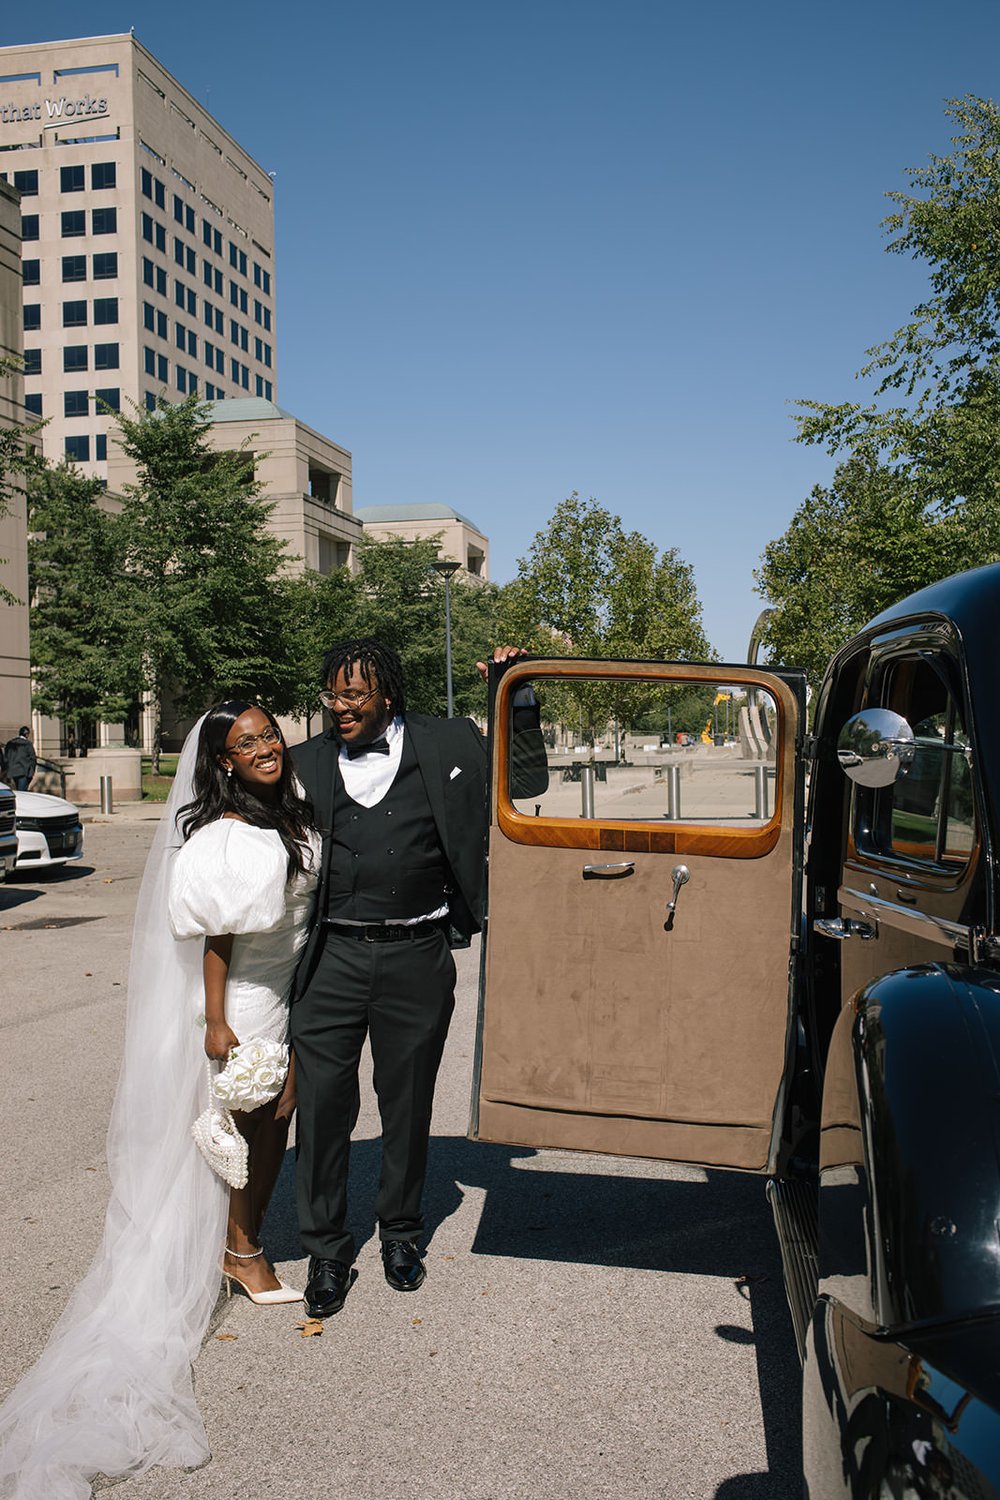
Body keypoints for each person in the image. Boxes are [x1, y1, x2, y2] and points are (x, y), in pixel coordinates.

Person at [0, 701, 319, 1498]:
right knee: (252, 1123)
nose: (264, 747)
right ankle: (239, 1252)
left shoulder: (287, 812)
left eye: (268, 733)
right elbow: (219, 940)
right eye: (245, 744)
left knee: (272, 1120)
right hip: (247, 1000)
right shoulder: (228, 837)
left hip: (285, 989)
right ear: (223, 764)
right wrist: (217, 1022)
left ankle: (234, 1244)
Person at [290, 639, 522, 1318]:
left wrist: (517, 690)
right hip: (329, 959)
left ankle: (400, 1232)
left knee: (408, 1102)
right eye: (331, 695)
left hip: (416, 954)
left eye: (353, 695)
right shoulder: (305, 761)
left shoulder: (448, 743)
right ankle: (327, 1250)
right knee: (324, 1107)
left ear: (387, 692)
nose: (339, 707)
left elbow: (526, 778)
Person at [2, 727, 36, 791]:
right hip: (24, 771)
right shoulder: (27, 744)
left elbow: (5, 758)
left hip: (12, 772)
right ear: (27, 734)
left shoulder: (10, 743)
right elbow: (33, 758)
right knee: (22, 793)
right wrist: (32, 771)